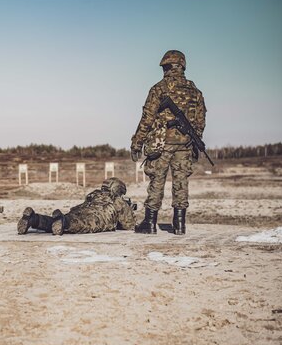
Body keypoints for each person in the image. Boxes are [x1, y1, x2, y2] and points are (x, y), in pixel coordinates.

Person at [130, 50, 207, 235]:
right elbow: (200, 119)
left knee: (157, 181)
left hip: (161, 143)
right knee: (181, 183)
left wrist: (137, 142)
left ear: (166, 67)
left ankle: (149, 223)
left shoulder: (159, 88)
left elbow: (147, 118)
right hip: (185, 145)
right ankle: (180, 225)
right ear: (182, 66)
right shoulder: (195, 91)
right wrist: (195, 140)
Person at [16, 178, 135, 235]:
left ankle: (34, 219)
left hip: (81, 209)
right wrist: (128, 209)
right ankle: (63, 221)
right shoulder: (118, 201)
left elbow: (88, 203)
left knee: (57, 222)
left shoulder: (95, 193)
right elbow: (128, 225)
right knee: (81, 224)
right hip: (97, 216)